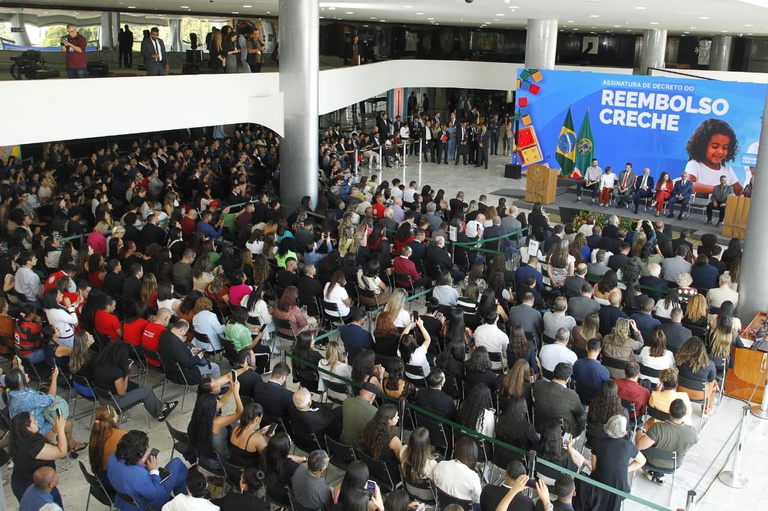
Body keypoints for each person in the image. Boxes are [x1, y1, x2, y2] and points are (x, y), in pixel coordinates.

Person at [93, 341, 178, 421]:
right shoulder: (116, 371)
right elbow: (121, 392)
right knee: (146, 392)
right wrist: (126, 373)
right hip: (114, 402)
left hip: (103, 397)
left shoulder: (99, 363)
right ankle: (160, 412)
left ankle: (163, 406)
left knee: (140, 387)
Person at [107, 429, 189, 511]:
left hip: (126, 500)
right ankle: (186, 502)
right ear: (138, 454)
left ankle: (184, 501)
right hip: (148, 504)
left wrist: (140, 464)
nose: (147, 453)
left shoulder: (112, 458)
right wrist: (153, 470)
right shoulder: (139, 474)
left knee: (180, 476)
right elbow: (154, 495)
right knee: (177, 463)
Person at [8, 412, 68, 506]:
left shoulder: (21, 439)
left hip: (20, 482)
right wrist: (61, 429)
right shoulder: (32, 447)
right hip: (36, 488)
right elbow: (61, 452)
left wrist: (54, 430)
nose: (36, 422)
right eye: (33, 421)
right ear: (27, 427)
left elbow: (45, 443)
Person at [589, 415, 646, 511]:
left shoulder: (597, 442)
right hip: (619, 490)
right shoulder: (628, 446)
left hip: (598, 485)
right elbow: (642, 461)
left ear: (607, 427)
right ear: (623, 431)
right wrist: (624, 469)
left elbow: (594, 467)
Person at [635, 398, 699, 484]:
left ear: (669, 411)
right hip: (674, 464)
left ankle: (653, 471)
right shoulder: (692, 432)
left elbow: (639, 445)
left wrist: (639, 430)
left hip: (652, 462)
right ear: (685, 414)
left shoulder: (657, 428)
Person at [188, 380, 243, 469]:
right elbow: (240, 413)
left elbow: (221, 403)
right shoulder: (216, 423)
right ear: (212, 409)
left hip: (205, 456)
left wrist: (232, 390)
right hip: (221, 461)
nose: (218, 404)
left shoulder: (198, 418)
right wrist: (236, 393)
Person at [684, 118, 742, 195]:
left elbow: (740, 192)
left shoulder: (727, 170)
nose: (720, 152)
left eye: (725, 148)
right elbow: (688, 186)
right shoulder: (694, 165)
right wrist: (716, 190)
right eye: (715, 147)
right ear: (703, 145)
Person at [532, 362, 586, 437]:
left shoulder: (538, 385)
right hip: (562, 434)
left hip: (539, 428)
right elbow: (580, 414)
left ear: (553, 373)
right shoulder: (572, 396)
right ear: (568, 380)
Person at [433, 437, 482, 504]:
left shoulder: (441, 465)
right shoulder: (473, 477)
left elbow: (436, 483)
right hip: (463, 507)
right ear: (474, 456)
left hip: (443, 504)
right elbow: (477, 499)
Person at [89, 405, 127, 490]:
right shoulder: (121, 435)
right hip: (112, 481)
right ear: (113, 418)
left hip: (100, 477)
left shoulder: (95, 435)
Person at [675, 337, 717, 414]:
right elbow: (711, 379)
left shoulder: (680, 361)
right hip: (700, 395)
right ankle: (707, 408)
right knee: (714, 383)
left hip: (681, 391)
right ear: (703, 350)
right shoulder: (709, 364)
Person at [361, 404, 403, 473]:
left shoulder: (368, 428)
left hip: (370, 468)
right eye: (396, 416)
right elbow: (401, 459)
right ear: (389, 420)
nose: (398, 418)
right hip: (388, 473)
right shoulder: (394, 440)